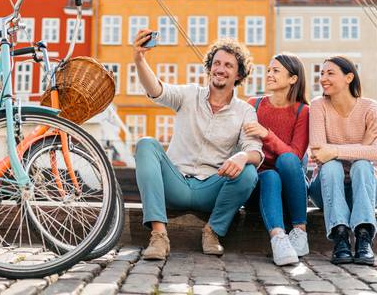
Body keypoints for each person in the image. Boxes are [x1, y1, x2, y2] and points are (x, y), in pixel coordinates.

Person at [132, 31, 263, 260]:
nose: (220, 69)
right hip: (176, 184)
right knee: (145, 144)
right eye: (217, 63)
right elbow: (156, 90)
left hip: (211, 189)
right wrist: (139, 59)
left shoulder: (245, 111)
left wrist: (242, 157)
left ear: (239, 74)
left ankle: (212, 231)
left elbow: (256, 151)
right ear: (210, 67)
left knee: (249, 172)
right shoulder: (189, 94)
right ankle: (159, 236)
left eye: (228, 65)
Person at [308, 56, 377, 266]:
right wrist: (363, 145)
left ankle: (363, 237)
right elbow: (318, 152)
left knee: (361, 166)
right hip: (326, 190)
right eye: (322, 73)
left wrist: (333, 150)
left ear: (349, 77)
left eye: (330, 73)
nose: (323, 78)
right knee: (333, 167)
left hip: (365, 189)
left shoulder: (370, 108)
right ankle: (340, 237)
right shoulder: (318, 105)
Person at [244, 53, 310, 266]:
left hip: (291, 191)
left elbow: (296, 157)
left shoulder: (303, 111)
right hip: (259, 190)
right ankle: (279, 239)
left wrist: (266, 134)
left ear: (293, 79)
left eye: (276, 71)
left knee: (287, 161)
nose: (269, 75)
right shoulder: (253, 105)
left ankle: (299, 233)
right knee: (270, 175)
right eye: (269, 70)